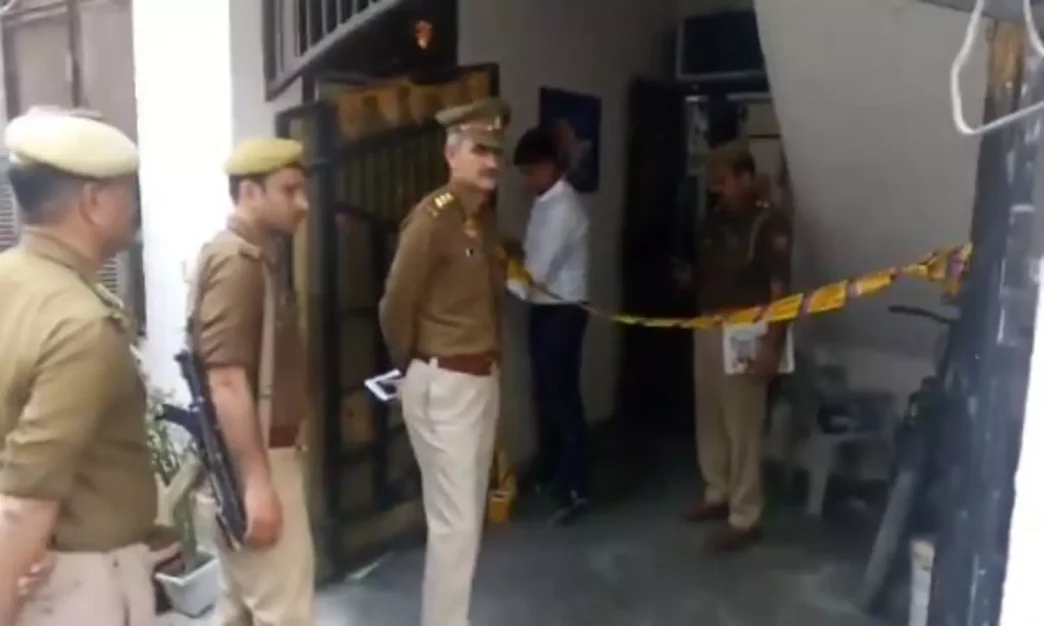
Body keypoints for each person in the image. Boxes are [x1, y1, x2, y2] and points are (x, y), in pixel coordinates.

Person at [0, 107, 156, 624]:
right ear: (95, 203)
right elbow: (25, 501)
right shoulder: (81, 323)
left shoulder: (11, 278)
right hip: (79, 585)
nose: (136, 207)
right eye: (129, 192)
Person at [379, 97, 510, 626]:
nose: (491, 162)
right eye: (480, 150)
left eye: (496, 152)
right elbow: (396, 303)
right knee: (455, 524)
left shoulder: (481, 219)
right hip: (444, 381)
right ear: (451, 154)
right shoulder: (433, 218)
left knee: (466, 519)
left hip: (479, 380)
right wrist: (413, 364)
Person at [191, 137, 314, 625]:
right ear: (249, 193)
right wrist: (257, 483)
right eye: (289, 190)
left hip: (258, 456)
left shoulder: (256, 257)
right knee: (284, 613)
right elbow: (225, 379)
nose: (303, 203)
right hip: (258, 458)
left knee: (241, 609)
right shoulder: (237, 263)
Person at [674, 139, 792, 553]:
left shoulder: (769, 224)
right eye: (714, 184)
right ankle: (717, 492)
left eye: (724, 182)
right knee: (709, 415)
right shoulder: (712, 222)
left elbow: (781, 293)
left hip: (747, 331)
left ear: (746, 178)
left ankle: (745, 516)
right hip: (708, 325)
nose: (717, 190)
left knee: (743, 425)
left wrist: (771, 347)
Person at [508, 127, 591, 524]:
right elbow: (530, 259)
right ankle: (554, 469)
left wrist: (499, 270)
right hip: (545, 310)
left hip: (563, 311)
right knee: (544, 394)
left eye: (530, 172)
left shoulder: (564, 210)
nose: (526, 181)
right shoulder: (544, 203)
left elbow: (535, 275)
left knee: (561, 399)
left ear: (550, 165)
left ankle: (577, 486)